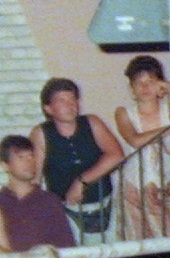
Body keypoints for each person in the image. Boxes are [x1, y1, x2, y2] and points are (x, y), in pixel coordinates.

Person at [33, 78, 122, 240]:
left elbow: (116, 155)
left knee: (112, 253)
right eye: (62, 100)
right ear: (48, 108)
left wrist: (81, 182)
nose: (70, 105)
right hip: (65, 212)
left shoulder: (92, 122)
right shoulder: (41, 133)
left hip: (105, 206)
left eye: (73, 98)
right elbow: (35, 179)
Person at [113, 56, 170, 250]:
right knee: (141, 247)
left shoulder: (169, 109)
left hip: (169, 186)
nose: (144, 87)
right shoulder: (124, 113)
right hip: (135, 187)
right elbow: (135, 140)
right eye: (139, 82)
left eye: (150, 81)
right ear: (131, 88)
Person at [0, 133, 74, 250]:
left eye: (31, 156)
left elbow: (66, 246)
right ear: (5, 165)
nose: (29, 162)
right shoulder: (2, 201)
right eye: (20, 157)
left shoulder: (49, 201)